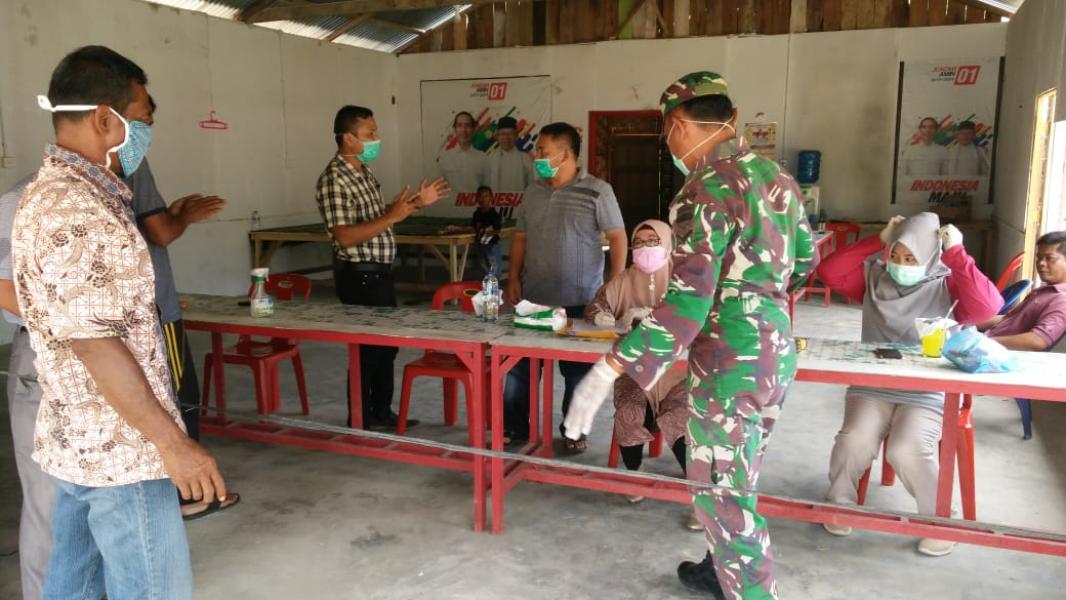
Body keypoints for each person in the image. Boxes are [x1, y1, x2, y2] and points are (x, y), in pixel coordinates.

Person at [563, 72, 818, 599]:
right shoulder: (778, 179)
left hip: (729, 365)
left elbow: (686, 305)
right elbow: (805, 262)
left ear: (679, 125)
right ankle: (716, 567)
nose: (672, 147)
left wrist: (610, 368)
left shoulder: (702, 191)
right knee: (736, 476)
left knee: (723, 496)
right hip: (774, 354)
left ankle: (749, 592)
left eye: (668, 135)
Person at [15, 45, 226, 599]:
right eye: (142, 122)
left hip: (81, 443)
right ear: (107, 119)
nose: (145, 134)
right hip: (123, 453)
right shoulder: (76, 209)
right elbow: (95, 342)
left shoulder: (61, 194)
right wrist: (173, 444)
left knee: (75, 585)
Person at [815, 212, 1002, 557]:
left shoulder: (949, 283)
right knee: (854, 438)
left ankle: (941, 520)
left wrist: (958, 253)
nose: (901, 264)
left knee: (906, 448)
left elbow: (987, 308)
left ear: (932, 254)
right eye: (896, 256)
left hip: (926, 389)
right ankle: (839, 502)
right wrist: (878, 242)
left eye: (911, 257)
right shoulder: (875, 277)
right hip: (874, 384)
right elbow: (828, 272)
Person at [115, 95, 239, 520]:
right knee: (181, 394)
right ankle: (193, 495)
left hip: (130, 308)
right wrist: (181, 218)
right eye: (143, 118)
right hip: (155, 309)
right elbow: (160, 233)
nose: (147, 128)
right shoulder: (133, 163)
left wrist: (175, 211)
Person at [316, 105, 450, 429]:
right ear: (348, 138)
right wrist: (391, 216)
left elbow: (378, 218)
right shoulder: (335, 179)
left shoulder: (363, 171)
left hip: (380, 274)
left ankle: (381, 411)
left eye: (376, 131)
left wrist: (415, 204)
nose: (377, 138)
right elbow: (345, 235)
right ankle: (360, 419)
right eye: (370, 133)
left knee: (386, 348)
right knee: (366, 353)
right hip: (359, 276)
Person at [503, 121, 627, 452]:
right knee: (519, 370)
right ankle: (516, 429)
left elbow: (617, 237)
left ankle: (573, 433)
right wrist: (513, 278)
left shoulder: (598, 191)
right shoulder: (533, 192)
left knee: (577, 374)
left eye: (542, 150)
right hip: (534, 301)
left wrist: (613, 286)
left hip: (580, 300)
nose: (536, 156)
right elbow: (520, 237)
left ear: (565, 154)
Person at [584, 219, 697, 528]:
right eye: (640, 242)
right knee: (629, 411)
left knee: (680, 418)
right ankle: (633, 475)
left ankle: (702, 496)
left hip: (677, 374)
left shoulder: (685, 280)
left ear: (667, 244)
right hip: (634, 373)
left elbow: (706, 316)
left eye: (653, 241)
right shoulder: (622, 280)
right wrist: (604, 316)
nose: (646, 248)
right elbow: (594, 306)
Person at [0, 173, 51, 600]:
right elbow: (4, 287)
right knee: (49, 499)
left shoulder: (107, 193)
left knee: (99, 496)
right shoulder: (24, 198)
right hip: (46, 355)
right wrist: (74, 336)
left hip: (101, 359)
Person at [980, 231, 1066, 350]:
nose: (1041, 263)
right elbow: (1008, 319)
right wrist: (966, 323)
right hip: (986, 343)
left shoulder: (1062, 300)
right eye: (1039, 257)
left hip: (999, 355)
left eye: (1049, 258)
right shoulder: (1045, 290)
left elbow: (1038, 340)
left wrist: (984, 342)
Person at [487, 115, 533, 218]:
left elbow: (531, 188)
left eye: (510, 134)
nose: (506, 138)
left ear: (516, 136)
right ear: (497, 136)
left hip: (520, 212)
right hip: (494, 211)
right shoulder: (489, 159)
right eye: (502, 134)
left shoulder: (526, 159)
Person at [435, 111, 487, 200]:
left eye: (468, 125)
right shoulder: (444, 158)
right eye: (459, 125)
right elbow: (438, 189)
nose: (464, 130)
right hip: (451, 210)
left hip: (476, 210)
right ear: (455, 129)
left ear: (473, 129)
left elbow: (488, 189)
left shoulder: (483, 158)